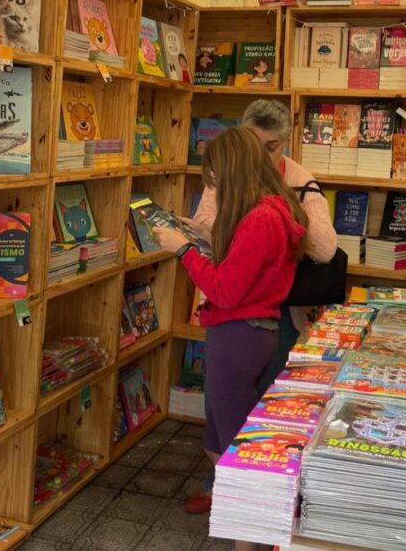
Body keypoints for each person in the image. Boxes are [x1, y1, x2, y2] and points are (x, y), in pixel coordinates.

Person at [154, 126, 308, 551]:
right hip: (249, 332)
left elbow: (224, 289)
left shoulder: (260, 217)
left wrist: (182, 251)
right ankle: (248, 529)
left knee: (237, 454)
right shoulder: (270, 210)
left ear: (234, 171)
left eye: (216, 177)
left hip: (237, 335)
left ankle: (249, 540)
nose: (214, 185)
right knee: (223, 442)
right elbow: (244, 264)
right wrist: (200, 237)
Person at [181, 99, 337, 514]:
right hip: (233, 310)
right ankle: (226, 491)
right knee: (222, 405)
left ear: (284, 144)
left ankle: (257, 505)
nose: (262, 155)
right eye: (255, 144)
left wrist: (272, 210)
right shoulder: (227, 179)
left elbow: (324, 247)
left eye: (272, 146)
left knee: (264, 406)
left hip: (273, 312)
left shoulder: (298, 184)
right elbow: (204, 224)